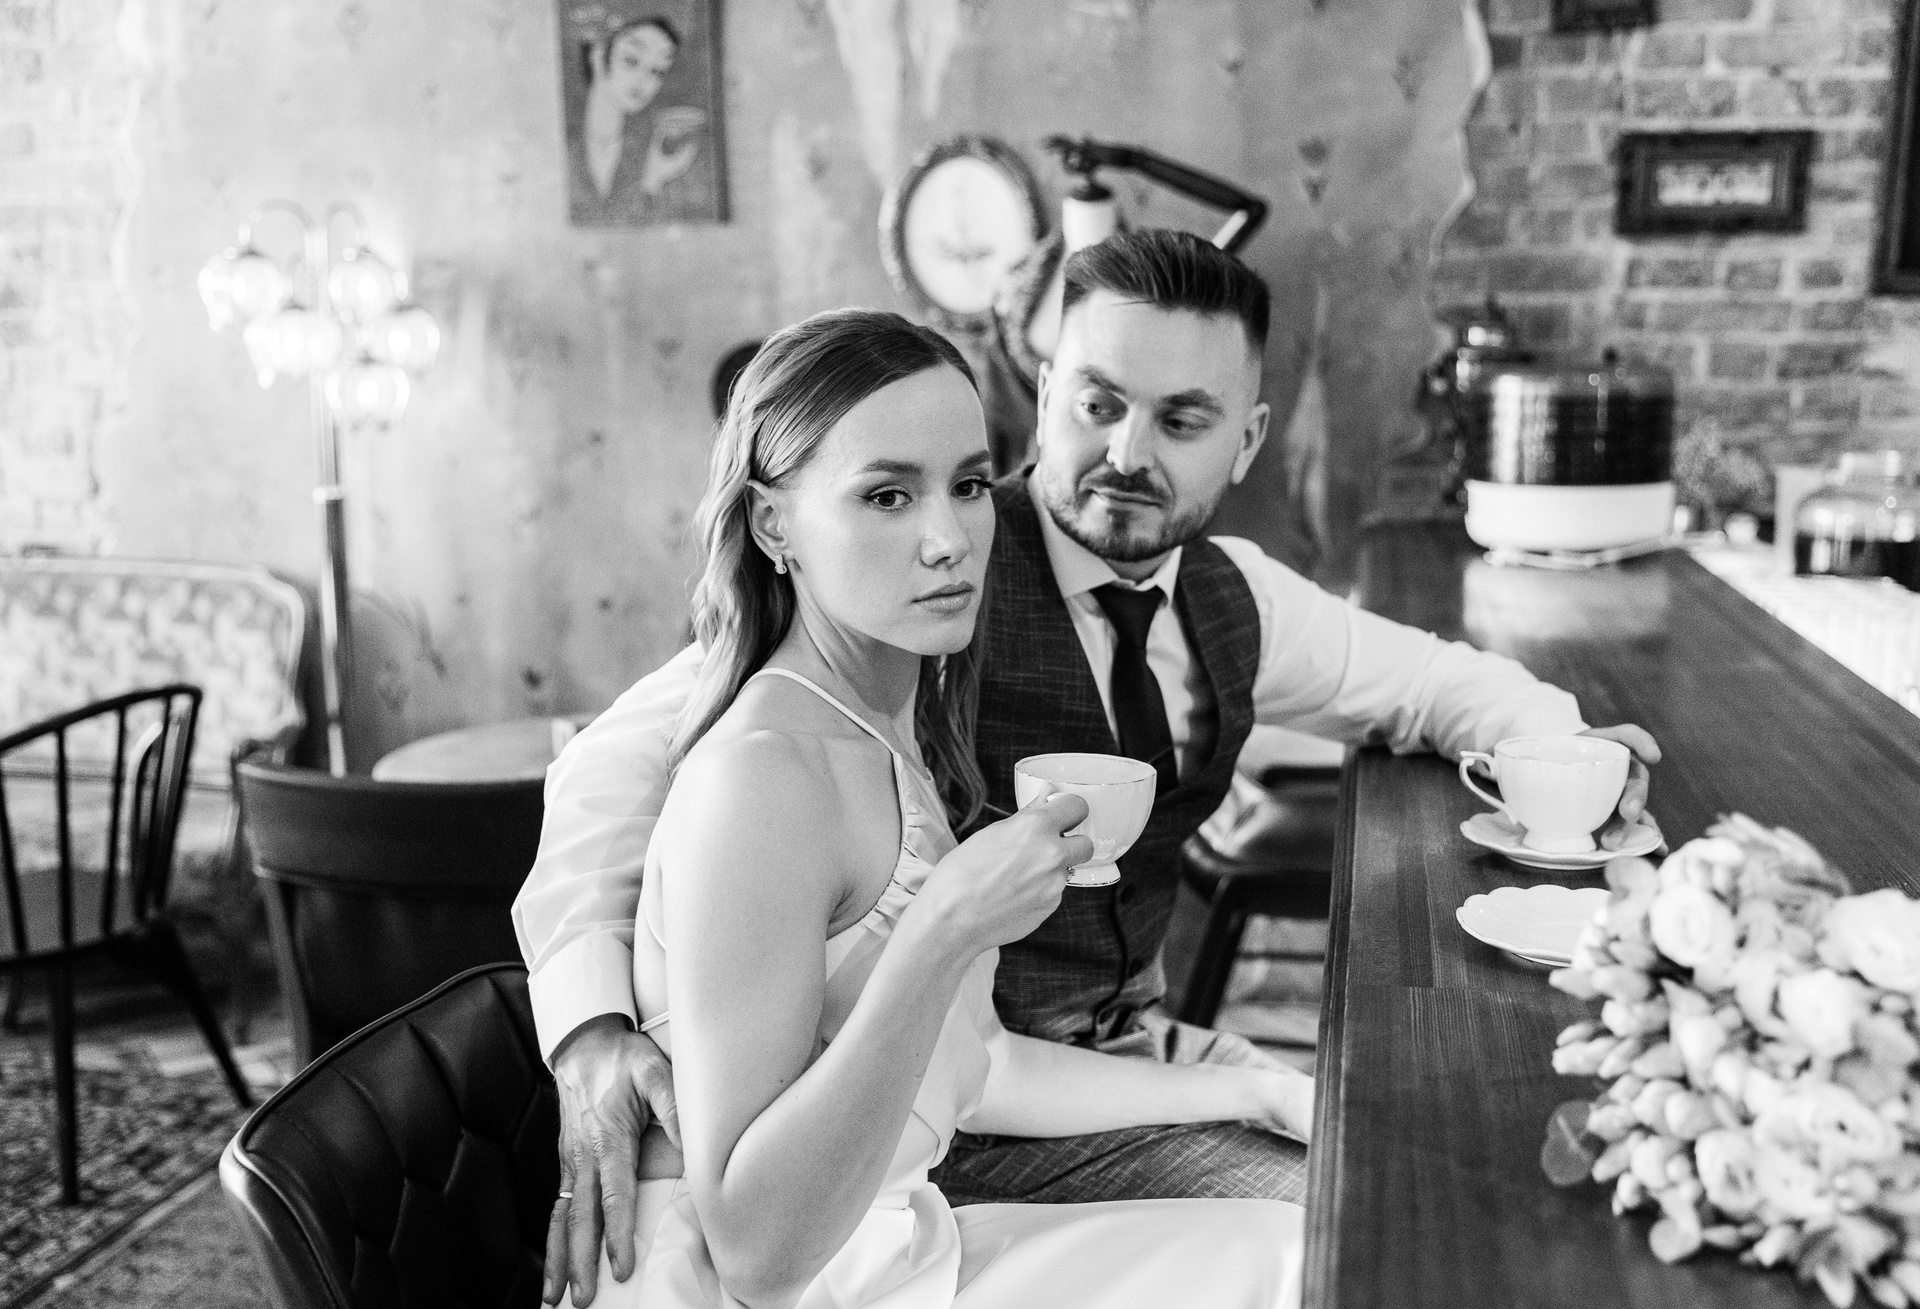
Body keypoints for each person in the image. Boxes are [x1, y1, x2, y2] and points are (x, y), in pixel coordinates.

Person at [516, 230, 1663, 1306]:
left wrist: (1570, 760)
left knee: (1447, 1169)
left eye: (1182, 418)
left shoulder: (1229, 597)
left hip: (1089, 1060)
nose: (1126, 453)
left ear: (1246, 440)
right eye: (1099, 403)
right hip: (929, 1149)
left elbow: (1438, 685)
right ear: (1046, 390)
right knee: (1372, 1239)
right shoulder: (899, 604)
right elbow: (623, 770)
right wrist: (589, 1026)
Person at [555, 308, 1306, 1308]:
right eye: (887, 495)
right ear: (773, 524)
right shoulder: (764, 778)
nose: (950, 540)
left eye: (968, 485)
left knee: (1309, 1239)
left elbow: (983, 1066)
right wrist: (944, 927)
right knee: (1311, 1262)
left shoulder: (888, 725)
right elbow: (755, 1252)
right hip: (783, 1284)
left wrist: (1256, 1089)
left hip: (899, 1242)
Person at [569, 16, 707, 225]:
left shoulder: (651, 147)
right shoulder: (563, 142)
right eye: (631, 60)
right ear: (598, 55)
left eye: (657, 71)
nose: (645, 80)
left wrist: (654, 179)